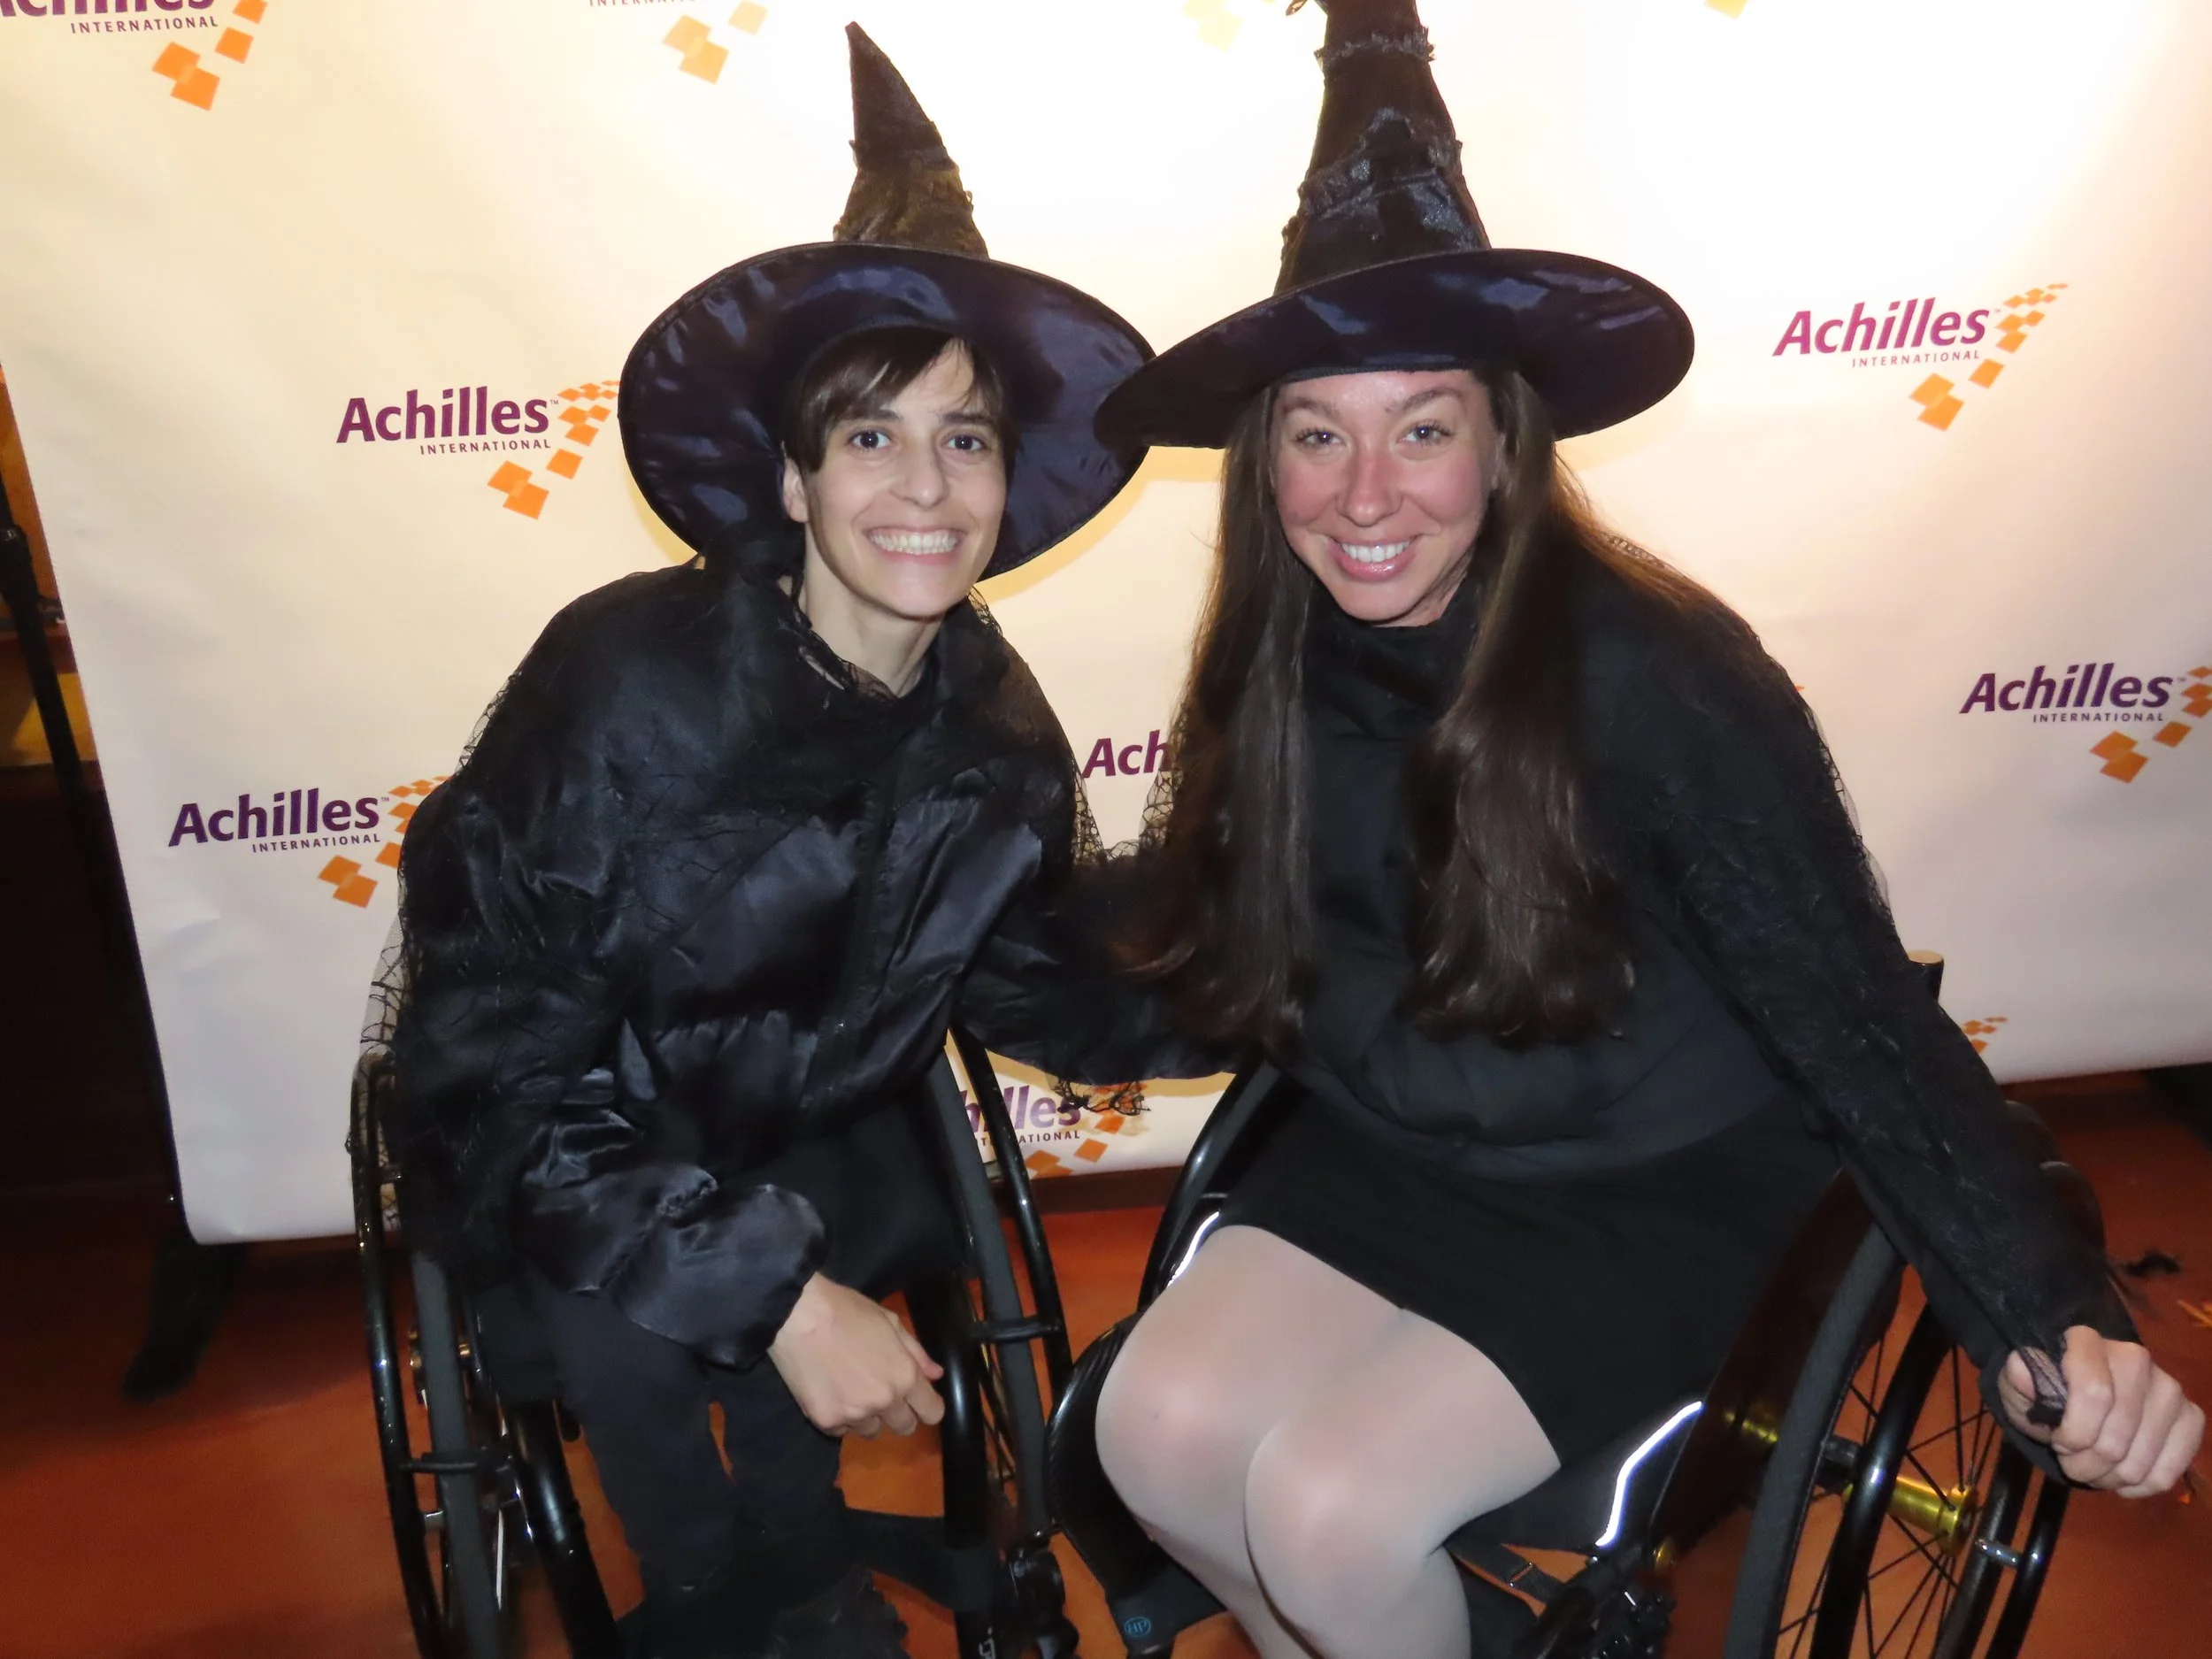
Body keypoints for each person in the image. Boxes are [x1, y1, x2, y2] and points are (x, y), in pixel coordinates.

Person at [1085, 4, 2205, 1656]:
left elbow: (1853, 1010)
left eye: (1424, 426)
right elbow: (1202, 933)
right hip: (1402, 1143)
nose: (1366, 491)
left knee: (1330, 1509)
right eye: (1318, 433)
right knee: (1150, 1434)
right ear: (1267, 466)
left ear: (1505, 445)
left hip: (1655, 1175)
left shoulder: (1656, 673)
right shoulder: (1275, 658)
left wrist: (2044, 1308)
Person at [380, 27, 1180, 1659]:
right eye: (871, 436)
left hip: (821, 1126)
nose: (926, 488)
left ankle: (802, 1569)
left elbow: (1046, 982)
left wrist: (1299, 940)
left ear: (1008, 478)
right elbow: (489, 1073)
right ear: (797, 477)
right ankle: (751, 1606)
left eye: (966, 438)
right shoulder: (622, 680)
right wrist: (770, 1294)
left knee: (822, 1297)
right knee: (638, 1352)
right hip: (573, 1143)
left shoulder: (990, 717)